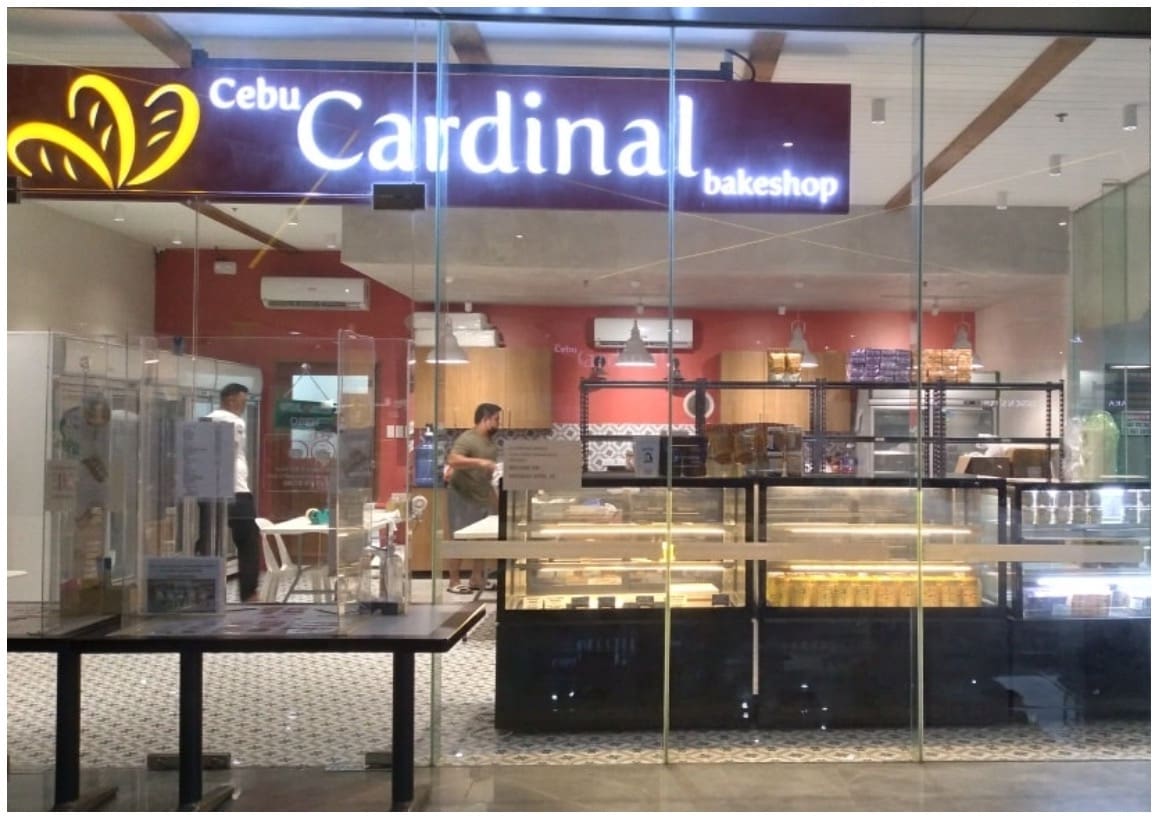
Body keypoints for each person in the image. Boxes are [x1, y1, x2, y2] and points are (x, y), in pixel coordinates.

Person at [198, 383, 261, 603]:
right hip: (236, 490)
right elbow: (229, 450)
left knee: (208, 540)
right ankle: (249, 593)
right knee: (248, 540)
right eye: (242, 402)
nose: (243, 407)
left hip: (208, 490)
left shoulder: (204, 420)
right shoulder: (234, 421)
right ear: (230, 399)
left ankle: (207, 592)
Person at [444, 402, 501, 594]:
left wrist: (495, 500)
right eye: (496, 419)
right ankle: (453, 582)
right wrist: (480, 462)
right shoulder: (468, 438)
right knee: (459, 538)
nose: (498, 423)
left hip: (481, 495)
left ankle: (477, 578)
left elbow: (487, 476)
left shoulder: (490, 443)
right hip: (462, 495)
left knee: (481, 539)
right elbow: (453, 459)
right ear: (485, 419)